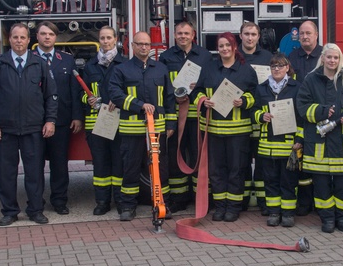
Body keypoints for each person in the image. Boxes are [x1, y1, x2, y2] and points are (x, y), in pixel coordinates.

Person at [0, 22, 58, 226]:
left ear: (29, 40)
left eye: (23, 37)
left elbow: (51, 95)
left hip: (34, 128)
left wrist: (50, 120)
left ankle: (35, 210)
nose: (19, 41)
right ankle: (9, 211)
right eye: (15, 37)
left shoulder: (39, 64)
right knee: (7, 173)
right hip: (5, 129)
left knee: (34, 172)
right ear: (9, 39)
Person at [108, 31, 175, 221]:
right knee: (130, 168)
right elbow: (115, 94)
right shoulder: (122, 69)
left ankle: (163, 204)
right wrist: (139, 105)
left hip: (158, 131)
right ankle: (128, 206)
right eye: (140, 44)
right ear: (133, 46)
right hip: (132, 130)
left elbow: (169, 99)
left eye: (147, 44)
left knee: (160, 169)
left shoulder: (161, 69)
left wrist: (170, 123)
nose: (144, 47)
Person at [193, 31, 258, 222]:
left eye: (228, 45)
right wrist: (203, 100)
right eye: (221, 46)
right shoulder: (209, 68)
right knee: (216, 170)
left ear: (234, 47)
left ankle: (234, 207)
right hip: (213, 130)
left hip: (239, 131)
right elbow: (196, 91)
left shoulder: (246, 70)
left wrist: (244, 101)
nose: (224, 49)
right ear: (217, 48)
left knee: (236, 170)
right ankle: (220, 206)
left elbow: (256, 94)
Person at [296, 43, 343, 233]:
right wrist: (323, 112)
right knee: (321, 185)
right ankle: (327, 218)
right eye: (329, 57)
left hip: (341, 141)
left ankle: (342, 218)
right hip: (318, 142)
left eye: (336, 58)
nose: (332, 61)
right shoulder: (310, 80)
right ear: (322, 58)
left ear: (340, 60)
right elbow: (302, 106)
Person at [158, 21, 213, 212]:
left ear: (193, 34)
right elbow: (163, 87)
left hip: (198, 117)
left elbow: (211, 83)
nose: (183, 36)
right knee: (175, 158)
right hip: (176, 117)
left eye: (186, 33)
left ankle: (201, 196)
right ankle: (179, 199)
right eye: (179, 33)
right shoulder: (165, 57)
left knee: (200, 157)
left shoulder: (205, 56)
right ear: (174, 35)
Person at [33, 21, 83, 215]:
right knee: (35, 165)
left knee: (59, 164)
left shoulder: (67, 60)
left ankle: (59, 201)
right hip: (35, 121)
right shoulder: (29, 58)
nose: (47, 37)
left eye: (51, 34)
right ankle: (36, 202)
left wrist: (77, 116)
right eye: (43, 34)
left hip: (62, 120)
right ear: (36, 36)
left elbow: (74, 90)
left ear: (56, 37)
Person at [81, 25, 126, 215]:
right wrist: (88, 99)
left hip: (118, 121)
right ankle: (102, 202)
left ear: (115, 39)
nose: (106, 41)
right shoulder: (90, 66)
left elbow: (130, 91)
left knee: (119, 163)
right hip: (96, 123)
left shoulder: (124, 64)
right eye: (102, 38)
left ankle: (121, 201)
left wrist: (120, 101)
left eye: (109, 38)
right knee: (100, 164)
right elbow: (80, 94)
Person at [253, 53, 302, 227]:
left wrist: (299, 139)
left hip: (289, 145)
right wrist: (261, 116)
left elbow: (301, 116)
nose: (276, 69)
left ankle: (288, 213)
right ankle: (274, 212)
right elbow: (254, 111)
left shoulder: (297, 87)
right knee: (271, 181)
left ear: (287, 68)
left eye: (280, 66)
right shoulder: (262, 88)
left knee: (288, 181)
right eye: (273, 66)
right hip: (267, 146)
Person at [288, 20, 323, 215]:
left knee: (317, 162)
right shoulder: (292, 57)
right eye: (301, 33)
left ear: (316, 35)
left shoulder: (324, 56)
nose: (305, 36)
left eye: (308, 33)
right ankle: (304, 202)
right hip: (298, 115)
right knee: (301, 163)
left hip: (319, 115)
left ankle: (319, 202)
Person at [239, 21, 273, 214]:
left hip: (262, 118)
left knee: (262, 162)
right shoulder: (235, 58)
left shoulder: (268, 58)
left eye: (253, 34)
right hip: (241, 119)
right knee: (242, 161)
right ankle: (242, 200)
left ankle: (263, 200)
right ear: (240, 36)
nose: (250, 37)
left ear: (259, 36)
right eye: (246, 34)